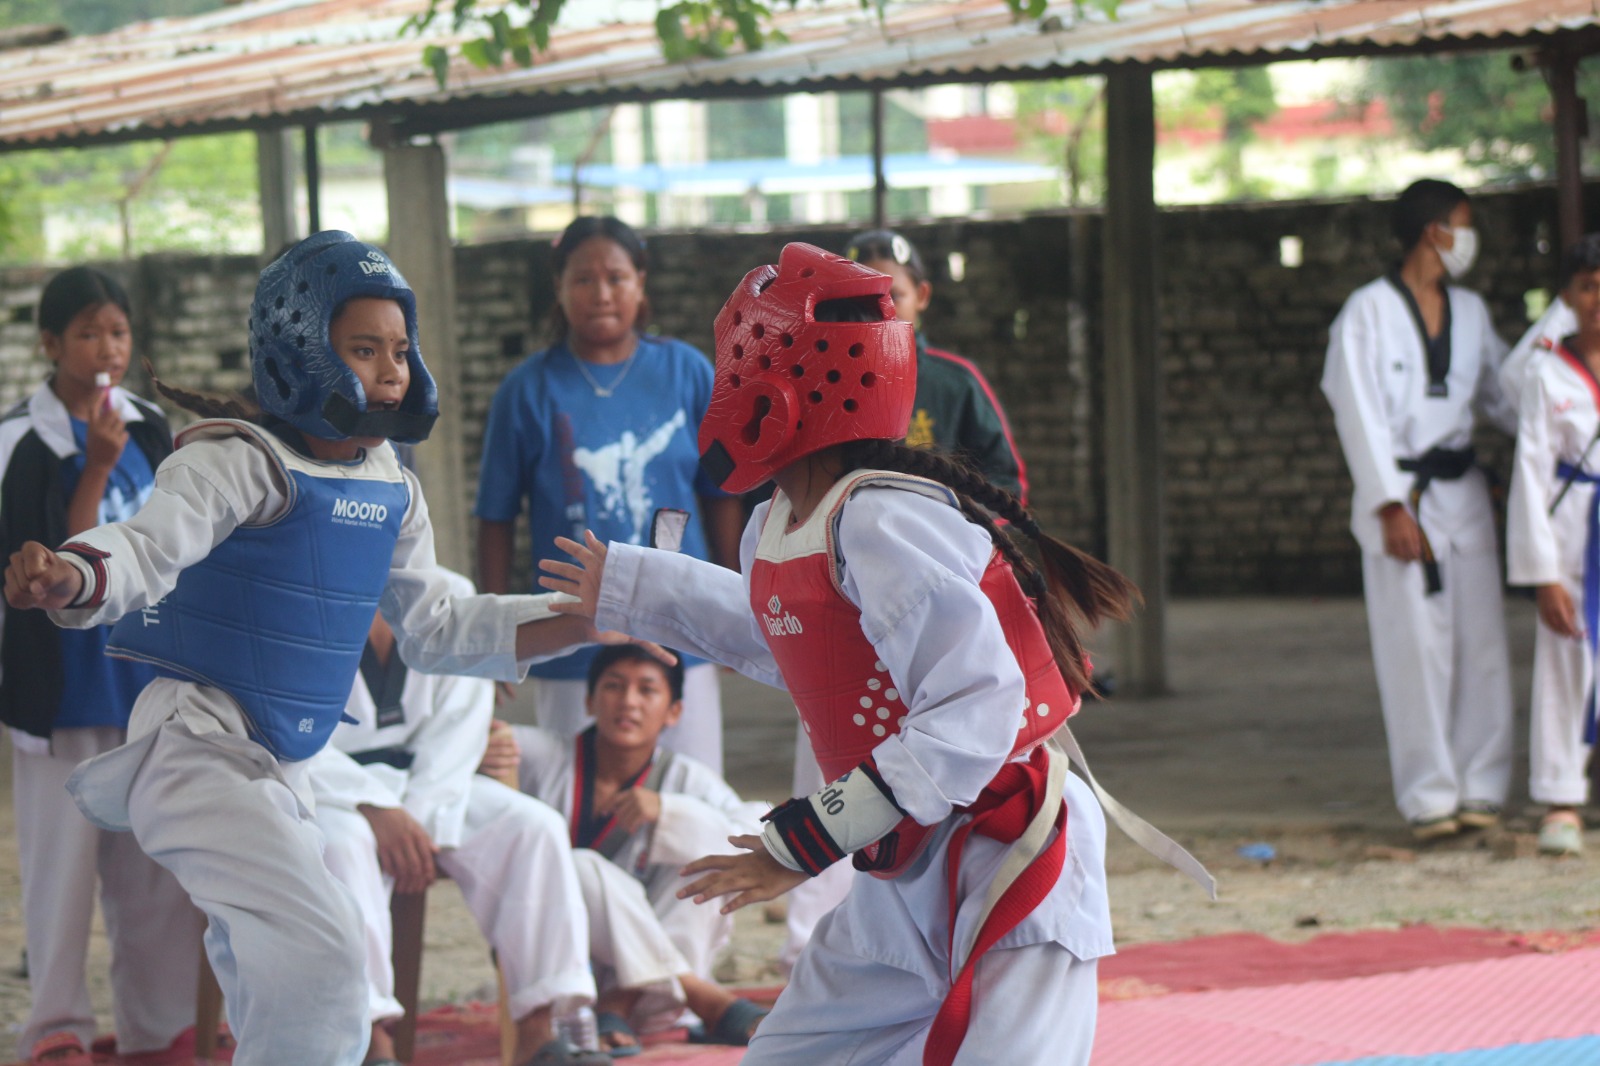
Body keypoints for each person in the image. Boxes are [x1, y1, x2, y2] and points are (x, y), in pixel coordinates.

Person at [1, 231, 636, 1066]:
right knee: (330, 960)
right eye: (363, 349)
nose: (389, 370)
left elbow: (440, 625)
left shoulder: (388, 486)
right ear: (300, 352)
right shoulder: (236, 461)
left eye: (400, 350)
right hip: (195, 756)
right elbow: (144, 546)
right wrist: (72, 575)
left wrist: (582, 617)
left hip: (284, 776)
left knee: (278, 987)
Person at [539, 243, 1137, 1064]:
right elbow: (779, 637)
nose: (725, 390)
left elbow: (978, 706)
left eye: (737, 369)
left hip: (1012, 842)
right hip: (910, 854)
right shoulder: (780, 520)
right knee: (792, 1051)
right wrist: (636, 587)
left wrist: (805, 841)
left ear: (781, 393)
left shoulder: (886, 522)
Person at [0, 267, 200, 1066]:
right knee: (61, 867)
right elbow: (54, 568)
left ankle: (160, 1025)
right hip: (61, 689)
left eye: (117, 331)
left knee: (153, 862)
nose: (106, 348)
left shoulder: (151, 428)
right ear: (51, 345)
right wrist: (92, 466)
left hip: (144, 680)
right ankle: (55, 1025)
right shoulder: (21, 440)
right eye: (87, 332)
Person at [476, 215, 743, 776]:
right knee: (576, 804)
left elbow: (719, 494)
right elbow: (495, 519)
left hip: (680, 622)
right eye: (582, 279)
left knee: (688, 802)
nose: (601, 293)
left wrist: (737, 610)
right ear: (559, 286)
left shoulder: (687, 372)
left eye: (616, 277)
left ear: (640, 282)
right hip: (571, 636)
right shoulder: (527, 390)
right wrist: (493, 636)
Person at [310, 590, 605, 1066]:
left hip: (433, 782)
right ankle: (369, 1038)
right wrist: (375, 807)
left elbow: (460, 728)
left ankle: (538, 1031)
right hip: (331, 789)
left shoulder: (445, 594)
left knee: (533, 827)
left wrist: (417, 824)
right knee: (344, 846)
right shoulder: (301, 595)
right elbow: (283, 726)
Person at [1321, 178, 1518, 841]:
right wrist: (1387, 504)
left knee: (1482, 646)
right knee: (1415, 652)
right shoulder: (1367, 312)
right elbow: (1358, 412)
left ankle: (1482, 786)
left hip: (1462, 492)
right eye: (1463, 224)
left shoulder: (1472, 312)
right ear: (1436, 230)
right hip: (1403, 494)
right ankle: (1430, 795)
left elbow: (1500, 398)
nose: (1468, 239)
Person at [487, 644, 770, 1053]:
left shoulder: (685, 778)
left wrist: (668, 811)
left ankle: (621, 1000)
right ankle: (697, 994)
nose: (628, 702)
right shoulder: (546, 757)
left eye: (647, 690)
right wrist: (485, 743)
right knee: (577, 867)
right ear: (589, 700)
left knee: (708, 865)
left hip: (639, 973)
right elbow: (484, 732)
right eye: (614, 687)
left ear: (673, 711)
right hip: (568, 962)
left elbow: (754, 831)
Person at [1506, 234, 1600, 857]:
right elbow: (1530, 476)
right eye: (1589, 285)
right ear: (1567, 295)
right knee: (1568, 652)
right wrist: (1542, 575)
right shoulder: (1544, 373)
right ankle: (1561, 796)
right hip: (1572, 530)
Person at [843, 229, 1027, 500]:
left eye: (894, 295)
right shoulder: (823, 382)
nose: (880, 309)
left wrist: (960, 528)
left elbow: (1006, 482)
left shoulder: (956, 382)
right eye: (863, 298)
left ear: (922, 295)